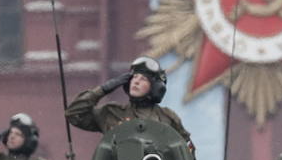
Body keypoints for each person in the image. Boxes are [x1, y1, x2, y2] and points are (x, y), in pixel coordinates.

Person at [66, 56, 194, 152]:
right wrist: (103, 89)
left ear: (155, 88)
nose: (136, 82)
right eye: (134, 77)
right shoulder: (112, 113)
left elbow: (188, 151)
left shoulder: (168, 118)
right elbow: (74, 114)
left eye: (143, 79)